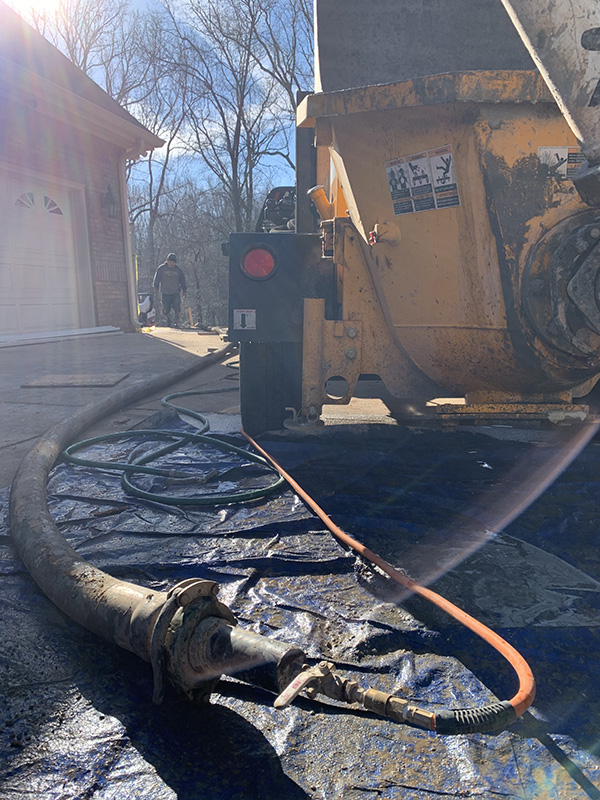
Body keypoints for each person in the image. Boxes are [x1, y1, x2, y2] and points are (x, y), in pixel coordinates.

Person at [153, 253, 187, 327]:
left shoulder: (178, 270)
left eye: (173, 262)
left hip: (175, 292)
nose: (171, 263)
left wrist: (184, 290)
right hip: (165, 292)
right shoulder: (161, 269)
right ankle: (168, 320)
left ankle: (176, 322)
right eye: (170, 262)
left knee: (177, 307)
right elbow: (157, 278)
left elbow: (182, 280)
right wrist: (156, 287)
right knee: (166, 309)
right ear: (167, 261)